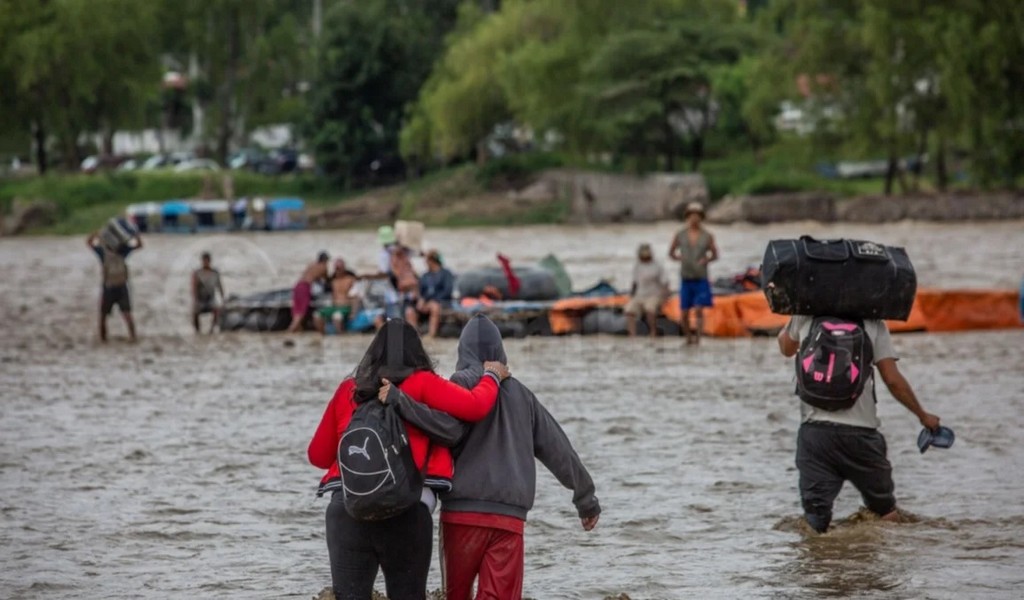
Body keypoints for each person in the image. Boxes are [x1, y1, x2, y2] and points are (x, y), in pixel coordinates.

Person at [307, 320, 510, 600]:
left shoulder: (348, 390)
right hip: (407, 510)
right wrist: (492, 376)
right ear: (418, 352)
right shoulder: (424, 383)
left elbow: (317, 456)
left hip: (347, 509)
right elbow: (476, 406)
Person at [431, 315, 600, 600]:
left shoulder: (454, 387)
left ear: (462, 351)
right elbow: (559, 448)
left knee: (455, 596)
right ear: (500, 352)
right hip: (507, 519)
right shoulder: (523, 395)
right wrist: (585, 498)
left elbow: (431, 434)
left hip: (461, 515)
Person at [777, 316, 942, 534]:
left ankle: (818, 565)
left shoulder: (806, 316)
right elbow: (892, 379)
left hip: (815, 435)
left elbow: (786, 348)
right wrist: (922, 415)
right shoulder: (873, 323)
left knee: (815, 523)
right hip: (862, 436)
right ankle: (883, 560)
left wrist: (792, 319)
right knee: (885, 513)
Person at [669, 202, 719, 345]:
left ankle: (698, 337)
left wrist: (706, 260)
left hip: (701, 277)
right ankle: (687, 338)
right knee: (684, 312)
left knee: (698, 309)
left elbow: (715, 254)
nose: (694, 219)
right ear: (687, 217)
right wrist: (680, 259)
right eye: (692, 216)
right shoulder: (680, 235)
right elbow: (671, 253)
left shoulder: (707, 236)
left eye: (697, 216)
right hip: (686, 277)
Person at [87, 230, 142, 342]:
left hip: (114, 287)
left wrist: (96, 233)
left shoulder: (108, 252)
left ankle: (107, 339)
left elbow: (89, 243)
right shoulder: (118, 251)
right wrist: (135, 235)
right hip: (116, 287)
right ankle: (130, 338)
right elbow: (139, 245)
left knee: (111, 315)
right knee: (111, 315)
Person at [407, 249, 454, 339]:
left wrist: (433, 300)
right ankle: (413, 334)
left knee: (434, 307)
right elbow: (421, 291)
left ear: (432, 261)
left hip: (442, 302)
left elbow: (447, 291)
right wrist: (421, 300)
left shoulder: (446, 274)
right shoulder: (425, 276)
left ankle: (431, 334)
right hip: (426, 302)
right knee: (410, 311)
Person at [624, 243, 668, 338]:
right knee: (629, 310)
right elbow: (635, 282)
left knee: (650, 310)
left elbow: (665, 283)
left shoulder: (657, 266)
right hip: (640, 295)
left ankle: (653, 332)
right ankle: (632, 334)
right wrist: (631, 295)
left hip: (654, 295)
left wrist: (664, 298)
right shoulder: (637, 266)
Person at [286, 251, 330, 333]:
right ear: (325, 260)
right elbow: (327, 280)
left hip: (298, 285)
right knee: (301, 311)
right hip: (305, 287)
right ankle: (291, 330)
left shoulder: (311, 265)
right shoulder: (323, 267)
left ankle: (298, 328)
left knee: (297, 309)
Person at [314, 258, 360, 335]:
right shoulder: (332, 281)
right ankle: (323, 336)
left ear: (344, 268)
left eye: (339, 267)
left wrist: (353, 312)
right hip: (334, 306)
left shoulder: (350, 279)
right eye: (336, 268)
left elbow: (355, 296)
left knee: (337, 316)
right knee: (317, 315)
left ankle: (340, 336)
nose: (338, 270)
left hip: (345, 306)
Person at [191, 252, 225, 334]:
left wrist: (223, 298)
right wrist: (195, 300)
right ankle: (197, 331)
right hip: (200, 299)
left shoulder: (215, 273)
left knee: (217, 309)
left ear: (209, 261)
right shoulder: (197, 273)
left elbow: (219, 286)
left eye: (207, 261)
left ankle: (212, 330)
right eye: (204, 261)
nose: (205, 262)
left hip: (211, 299)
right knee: (195, 312)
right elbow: (194, 287)